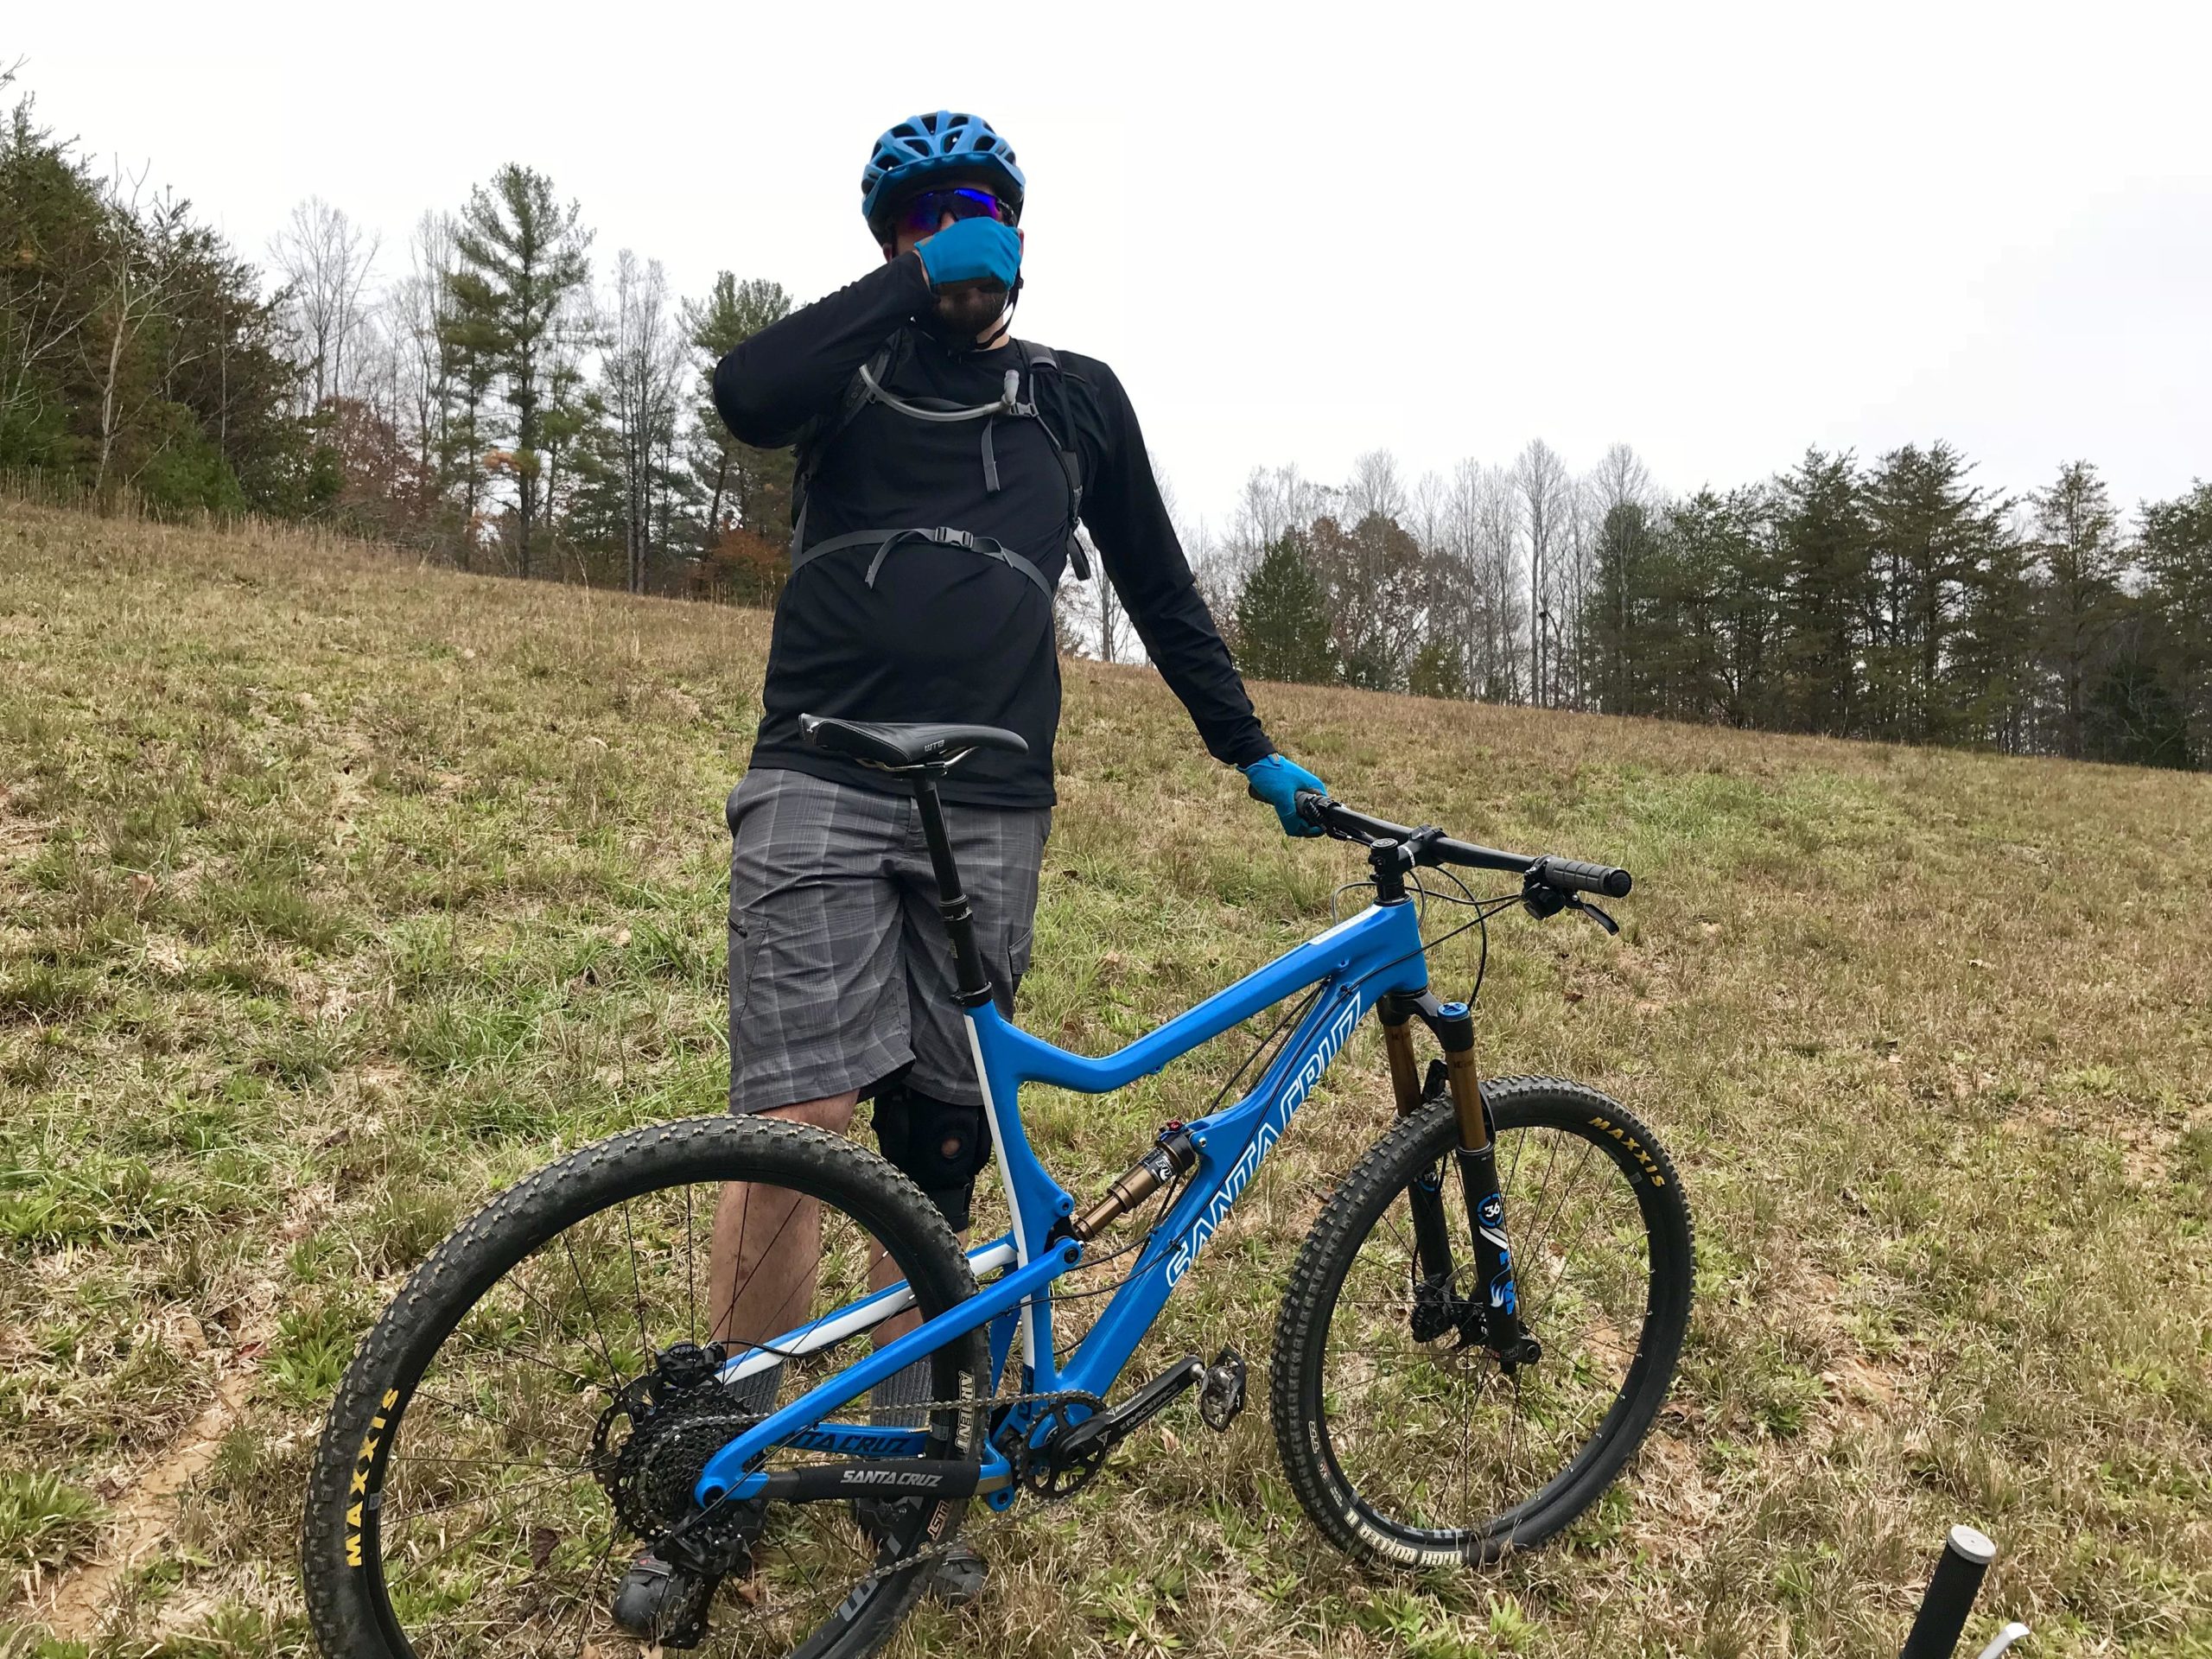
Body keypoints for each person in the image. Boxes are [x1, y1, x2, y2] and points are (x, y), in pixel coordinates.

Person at [614, 109, 1327, 1631]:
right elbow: (743, 391)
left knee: (946, 1135)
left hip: (991, 806)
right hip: (817, 773)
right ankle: (720, 1465)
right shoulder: (851, 374)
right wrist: (906, 281)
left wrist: (1248, 747)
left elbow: (1158, 577)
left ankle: (926, 1472)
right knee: (797, 1123)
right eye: (931, 216)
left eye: (987, 211)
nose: (965, 235)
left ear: (1026, 232)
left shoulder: (1074, 399)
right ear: (892, 237)